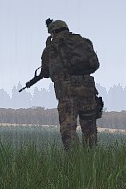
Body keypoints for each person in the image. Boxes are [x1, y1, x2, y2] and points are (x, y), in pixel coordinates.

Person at [24, 19, 102, 149]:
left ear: (53, 32)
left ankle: (74, 158)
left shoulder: (51, 48)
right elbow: (94, 64)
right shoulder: (83, 41)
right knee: (89, 127)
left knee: (68, 128)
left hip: (67, 91)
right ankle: (91, 157)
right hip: (88, 89)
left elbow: (46, 72)